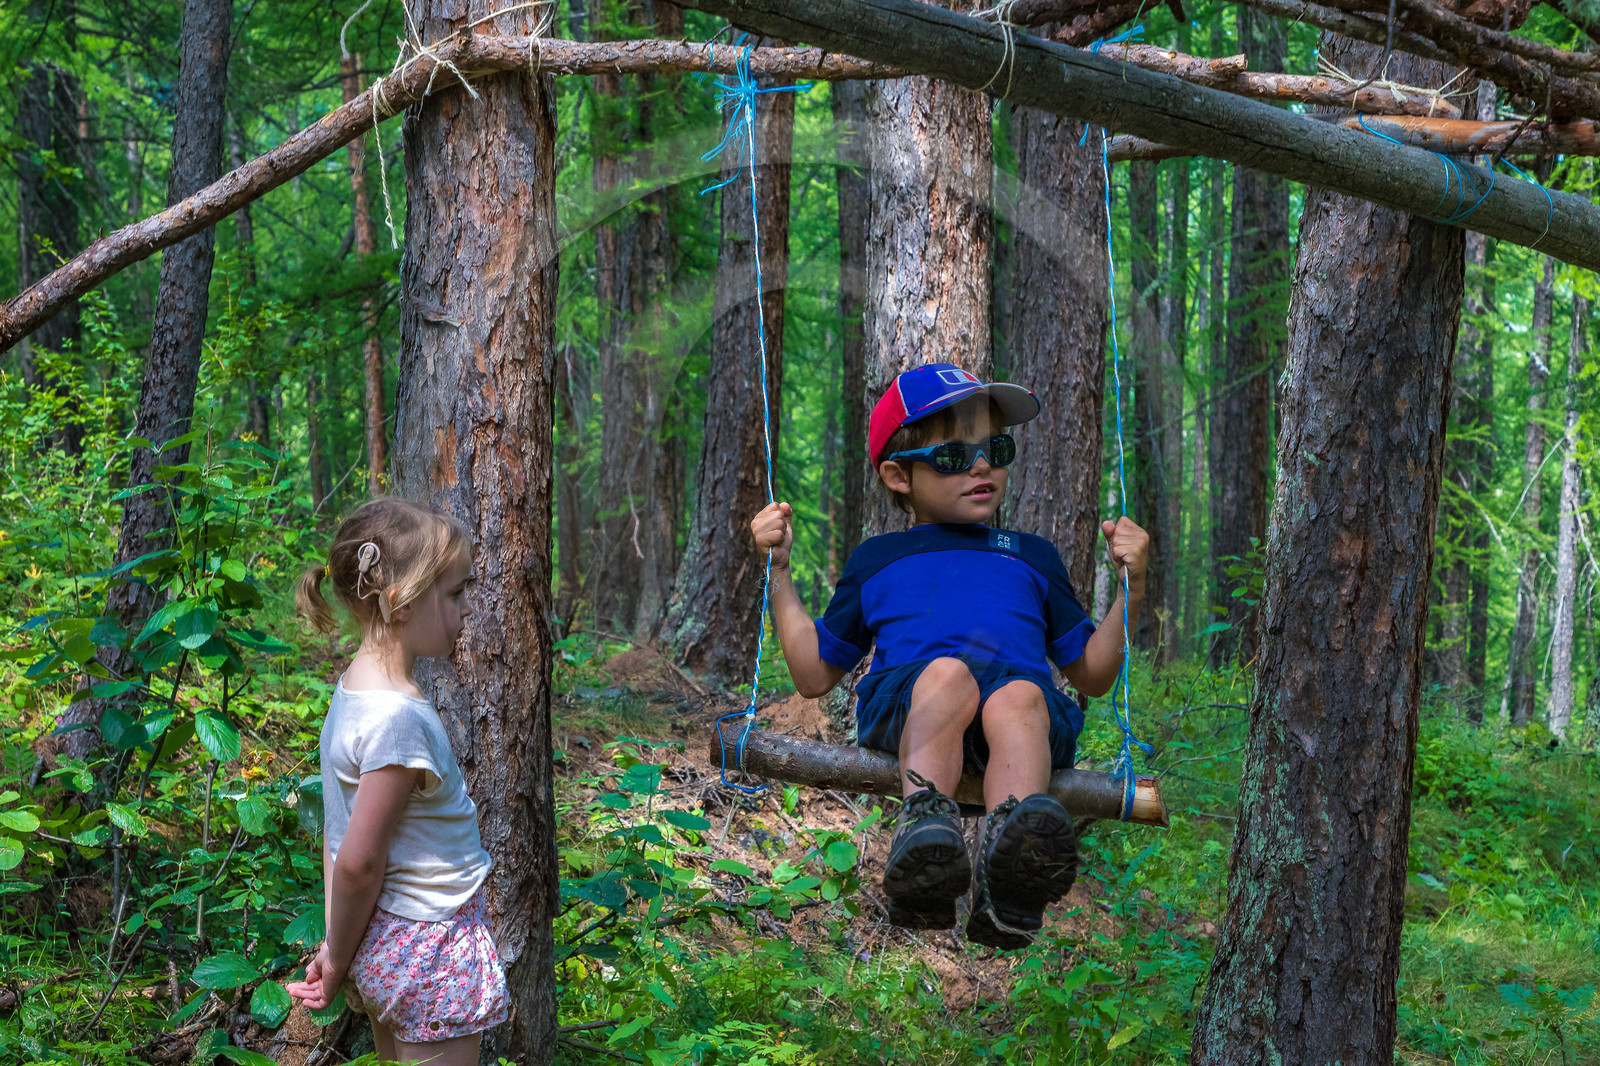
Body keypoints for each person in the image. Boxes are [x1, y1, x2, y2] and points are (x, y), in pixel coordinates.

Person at [750, 363, 1149, 949]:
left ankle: (1012, 864)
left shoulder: (1033, 556)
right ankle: (926, 837)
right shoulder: (878, 558)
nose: (982, 464)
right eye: (954, 457)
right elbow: (813, 674)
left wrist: (1131, 591)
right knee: (949, 674)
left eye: (996, 447)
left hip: (1024, 718)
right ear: (898, 474)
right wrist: (779, 573)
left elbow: (1090, 674)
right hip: (912, 704)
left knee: (1018, 694)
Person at [285, 498, 506, 1064]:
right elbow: (359, 859)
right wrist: (334, 956)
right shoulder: (398, 720)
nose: (465, 610)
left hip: (383, 941)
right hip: (428, 945)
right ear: (401, 601)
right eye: (455, 593)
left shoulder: (352, 694)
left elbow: (336, 841)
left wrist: (341, 949)